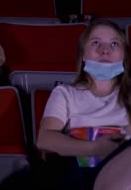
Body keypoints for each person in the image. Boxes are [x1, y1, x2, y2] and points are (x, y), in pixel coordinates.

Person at [36, 20, 131, 189]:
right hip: (82, 175)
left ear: (124, 57)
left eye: (114, 44)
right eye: (96, 43)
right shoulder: (65, 93)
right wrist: (95, 148)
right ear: (83, 55)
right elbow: (45, 140)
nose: (105, 50)